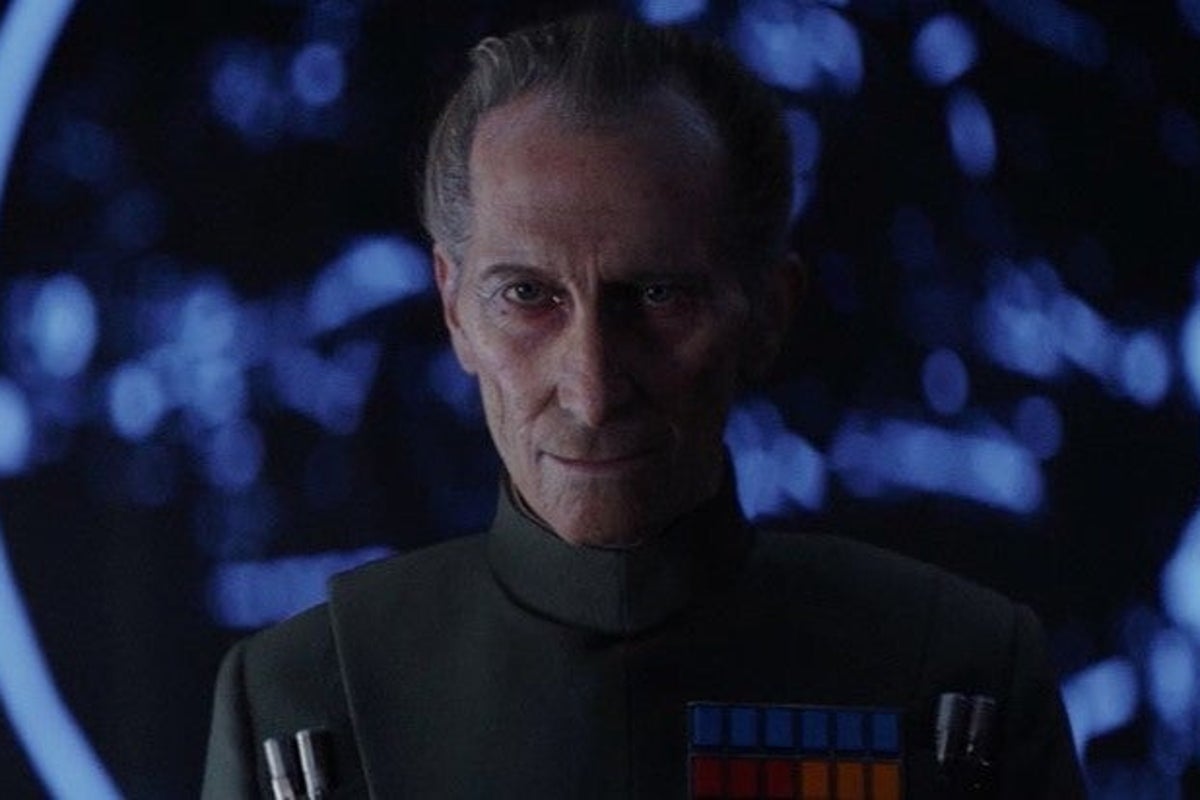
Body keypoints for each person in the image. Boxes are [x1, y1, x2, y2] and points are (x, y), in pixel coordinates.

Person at [201, 13, 1085, 798]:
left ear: (768, 310)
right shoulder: (303, 696)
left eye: (659, 296)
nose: (591, 390)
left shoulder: (959, 679)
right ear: (454, 308)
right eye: (527, 296)